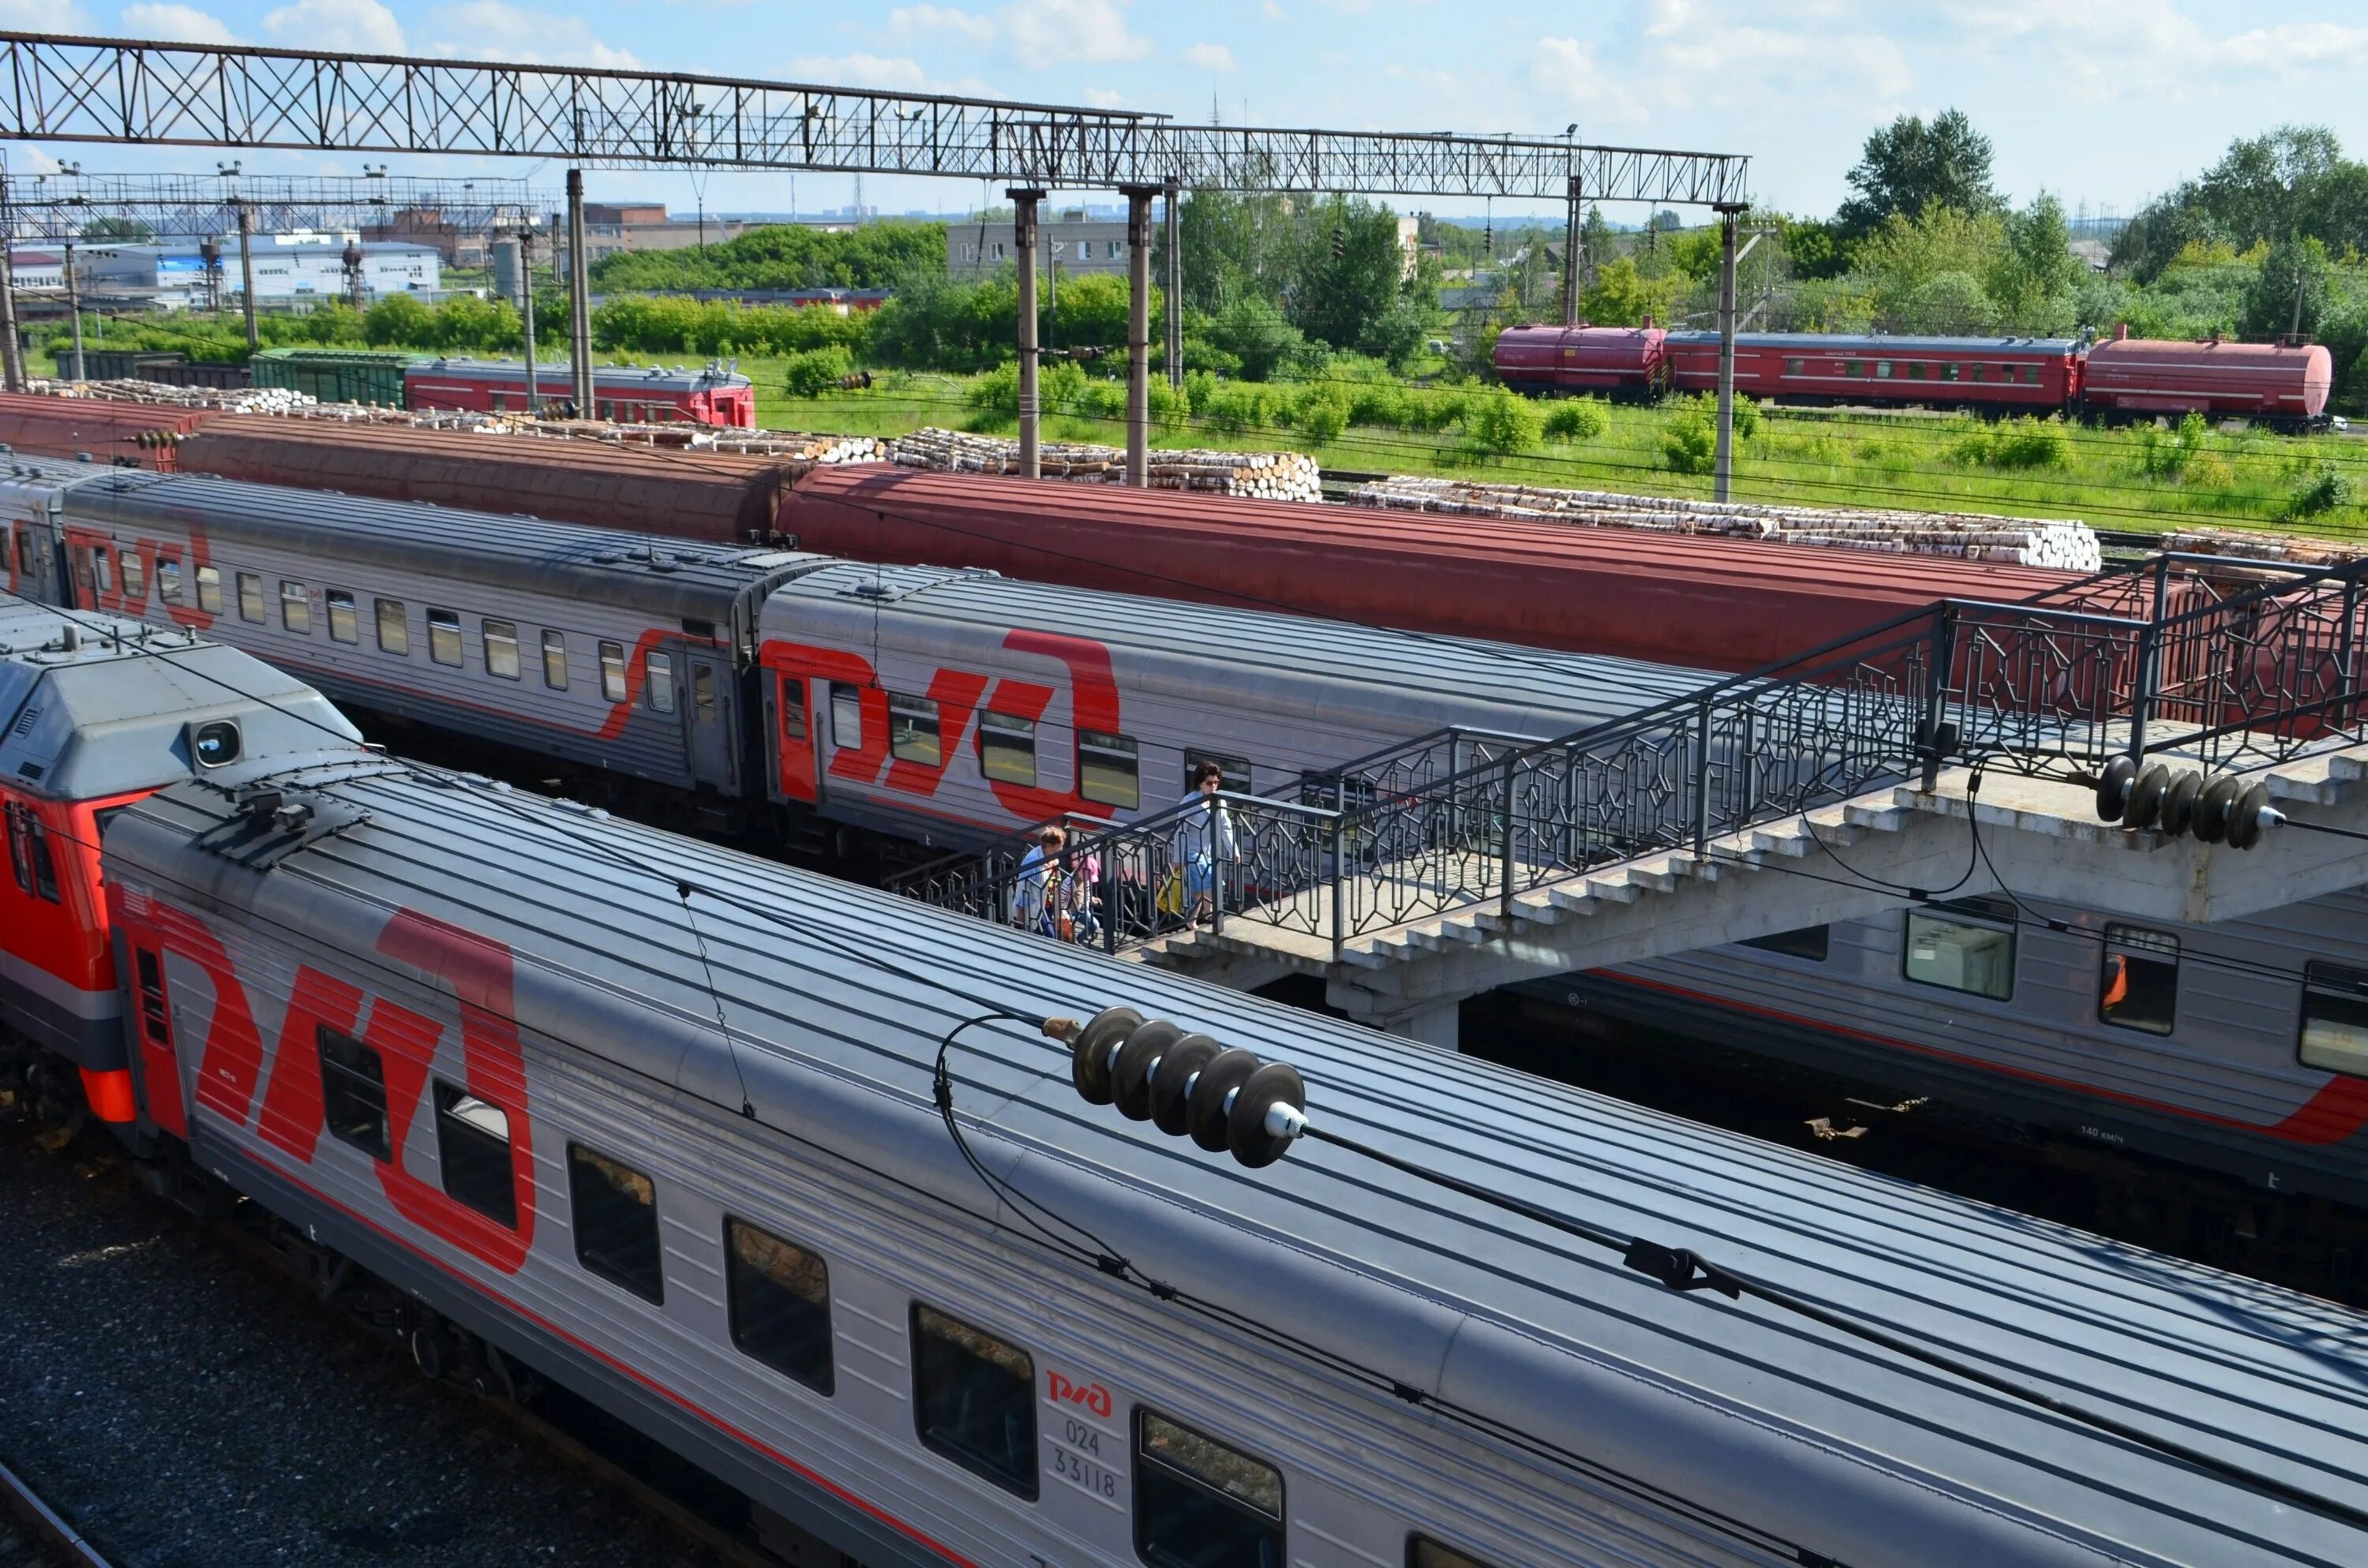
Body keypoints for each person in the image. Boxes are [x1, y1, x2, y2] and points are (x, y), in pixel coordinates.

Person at [1173, 760, 1237, 926]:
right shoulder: (1189, 802)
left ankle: (1192, 920)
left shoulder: (1219, 800)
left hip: (1210, 851)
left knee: (1202, 887)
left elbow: (1225, 828)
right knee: (1207, 881)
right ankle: (1210, 913)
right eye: (1209, 783)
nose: (1214, 786)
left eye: (1216, 782)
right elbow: (1180, 830)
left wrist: (1233, 851)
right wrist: (1178, 858)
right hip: (1193, 852)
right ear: (1200, 783)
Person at [1013, 826, 1066, 935]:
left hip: (1048, 904)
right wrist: (1021, 915)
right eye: (1058, 846)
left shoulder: (1053, 858)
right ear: (1048, 846)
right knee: (1050, 936)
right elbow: (1023, 886)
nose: (1061, 850)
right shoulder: (1033, 860)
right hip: (1036, 906)